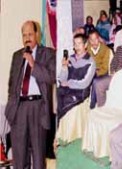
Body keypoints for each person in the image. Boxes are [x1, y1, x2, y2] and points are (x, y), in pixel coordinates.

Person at [5, 21, 56, 169]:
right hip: (19, 108)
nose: (27, 38)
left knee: (39, 157)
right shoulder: (16, 56)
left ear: (37, 34)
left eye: (30, 34)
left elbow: (51, 77)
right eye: (24, 35)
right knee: (19, 158)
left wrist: (33, 63)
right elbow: (11, 83)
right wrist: (10, 108)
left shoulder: (48, 53)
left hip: (38, 107)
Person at [57, 34, 96, 119]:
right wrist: (64, 67)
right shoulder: (70, 58)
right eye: (75, 44)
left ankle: (63, 126)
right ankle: (61, 126)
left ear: (85, 45)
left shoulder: (90, 62)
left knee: (67, 101)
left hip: (80, 92)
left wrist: (69, 83)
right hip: (66, 90)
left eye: (79, 43)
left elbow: (85, 83)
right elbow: (61, 79)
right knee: (56, 95)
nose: (77, 46)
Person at [87, 30, 114, 108]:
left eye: (96, 39)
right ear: (89, 40)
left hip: (102, 72)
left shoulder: (105, 49)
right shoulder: (87, 48)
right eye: (91, 40)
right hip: (91, 71)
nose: (94, 42)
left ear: (98, 38)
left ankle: (92, 106)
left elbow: (105, 68)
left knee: (95, 81)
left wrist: (96, 72)